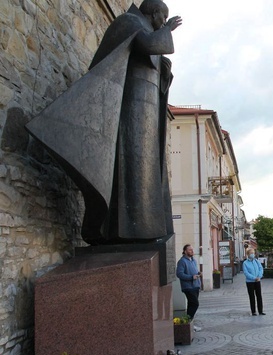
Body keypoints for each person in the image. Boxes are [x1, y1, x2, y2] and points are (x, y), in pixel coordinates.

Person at [27, 0, 182, 244]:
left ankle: (140, 230)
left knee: (143, 173)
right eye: (163, 18)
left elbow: (154, 59)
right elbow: (149, 44)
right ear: (153, 14)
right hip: (127, 107)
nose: (163, 22)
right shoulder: (129, 22)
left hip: (146, 112)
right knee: (126, 170)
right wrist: (168, 30)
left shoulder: (144, 26)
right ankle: (115, 231)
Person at [176, 244, 202, 331]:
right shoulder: (182, 261)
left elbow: (194, 271)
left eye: (192, 250)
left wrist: (198, 273)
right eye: (190, 250)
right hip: (188, 287)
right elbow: (179, 274)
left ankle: (189, 325)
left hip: (195, 286)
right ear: (185, 251)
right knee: (195, 304)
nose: (192, 251)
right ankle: (187, 322)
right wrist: (191, 277)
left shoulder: (193, 260)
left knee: (191, 305)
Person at [243, 248, 265, 316]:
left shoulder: (256, 261)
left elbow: (260, 268)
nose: (253, 254)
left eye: (253, 253)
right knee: (252, 296)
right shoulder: (245, 263)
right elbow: (246, 273)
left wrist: (259, 276)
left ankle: (260, 311)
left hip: (257, 281)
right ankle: (253, 311)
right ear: (248, 254)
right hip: (250, 282)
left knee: (259, 296)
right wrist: (254, 278)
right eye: (251, 253)